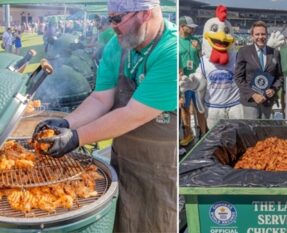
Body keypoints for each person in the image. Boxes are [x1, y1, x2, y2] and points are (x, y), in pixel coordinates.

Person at [32, 0, 177, 232]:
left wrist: (75, 137)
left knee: (153, 222)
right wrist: (67, 123)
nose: (112, 27)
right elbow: (101, 99)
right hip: (122, 160)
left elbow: (133, 115)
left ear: (145, 14)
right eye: (109, 19)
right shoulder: (116, 45)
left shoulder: (171, 50)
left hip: (160, 168)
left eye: (117, 19)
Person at [234, 20, 283, 119]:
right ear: (252, 36)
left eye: (263, 34)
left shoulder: (275, 53)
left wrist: (273, 89)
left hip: (267, 100)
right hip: (250, 102)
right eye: (257, 34)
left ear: (267, 35)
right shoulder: (244, 51)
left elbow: (280, 77)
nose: (260, 37)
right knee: (251, 131)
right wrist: (253, 95)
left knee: (265, 131)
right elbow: (238, 78)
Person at [178, 16, 207, 146]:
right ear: (181, 26)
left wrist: (199, 49)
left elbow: (203, 59)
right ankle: (187, 134)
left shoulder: (195, 40)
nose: (191, 29)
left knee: (200, 108)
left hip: (197, 80)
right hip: (184, 81)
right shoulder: (176, 42)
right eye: (189, 27)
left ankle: (204, 133)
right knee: (184, 108)